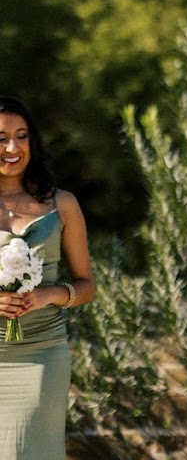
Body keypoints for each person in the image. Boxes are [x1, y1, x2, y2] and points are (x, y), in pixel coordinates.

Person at [0, 97, 94, 460]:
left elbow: (86, 286)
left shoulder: (62, 204)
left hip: (41, 355)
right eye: (2, 138)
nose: (12, 147)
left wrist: (49, 295)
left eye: (21, 136)